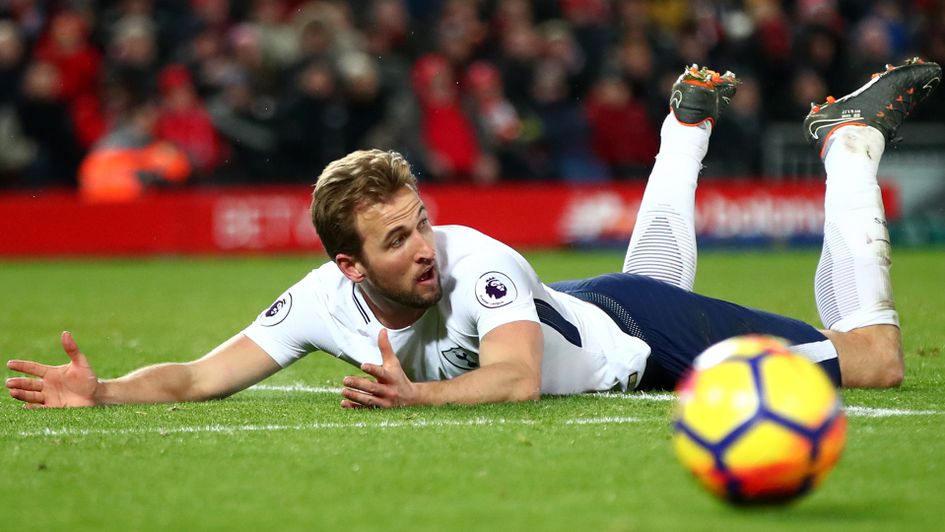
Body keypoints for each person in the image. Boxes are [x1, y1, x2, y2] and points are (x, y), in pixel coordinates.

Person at [6, 59, 941, 408]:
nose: (422, 246)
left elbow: (515, 381)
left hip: (638, 335)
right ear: (348, 263)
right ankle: (683, 133)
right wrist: (104, 395)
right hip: (592, 314)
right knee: (638, 283)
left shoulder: (475, 259)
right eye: (396, 239)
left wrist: (414, 399)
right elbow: (201, 375)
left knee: (872, 365)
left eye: (420, 221)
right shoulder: (322, 302)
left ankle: (848, 146)